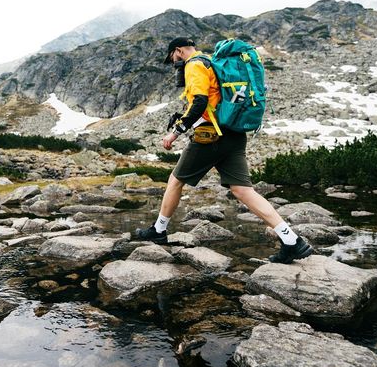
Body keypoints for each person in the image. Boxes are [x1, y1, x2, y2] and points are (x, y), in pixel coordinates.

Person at [134, 37, 313, 264]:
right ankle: (292, 241)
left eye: (172, 57)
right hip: (234, 134)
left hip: (211, 137)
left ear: (178, 51)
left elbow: (200, 102)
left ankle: (159, 230)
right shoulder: (211, 62)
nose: (172, 62)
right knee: (243, 191)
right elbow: (214, 100)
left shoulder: (194, 65)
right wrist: (183, 116)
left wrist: (175, 132)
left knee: (175, 180)